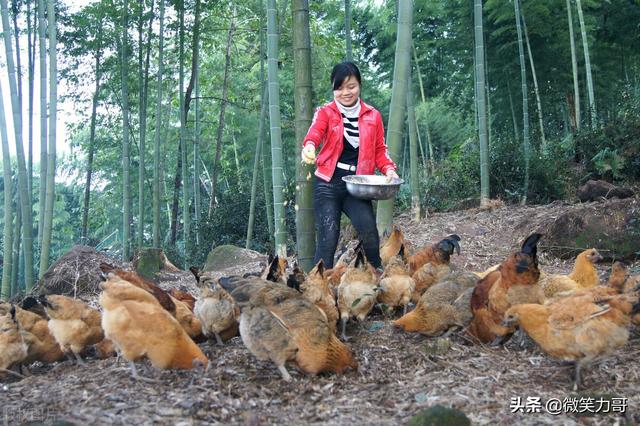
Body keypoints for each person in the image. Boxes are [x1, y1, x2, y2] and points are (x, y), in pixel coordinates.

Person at [301, 61, 399, 271]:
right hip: (327, 184)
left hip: (357, 185)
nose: (346, 92)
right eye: (340, 87)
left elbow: (380, 150)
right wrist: (309, 146)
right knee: (328, 239)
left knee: (370, 234)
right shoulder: (326, 112)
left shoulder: (373, 115)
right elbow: (315, 133)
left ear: (359, 86)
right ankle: (316, 289)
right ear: (333, 88)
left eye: (351, 86)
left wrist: (389, 169)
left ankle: (377, 281)